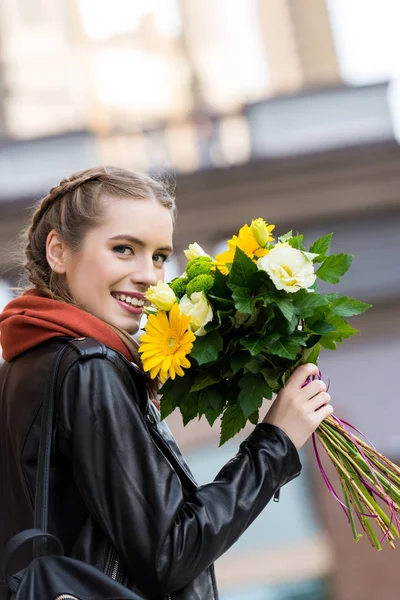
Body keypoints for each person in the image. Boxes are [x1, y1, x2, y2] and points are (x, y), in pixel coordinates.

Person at [0, 166, 333, 600]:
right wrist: (276, 442)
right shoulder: (90, 367)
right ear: (59, 252)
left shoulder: (21, 367)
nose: (148, 276)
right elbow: (169, 555)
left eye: (158, 256)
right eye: (123, 249)